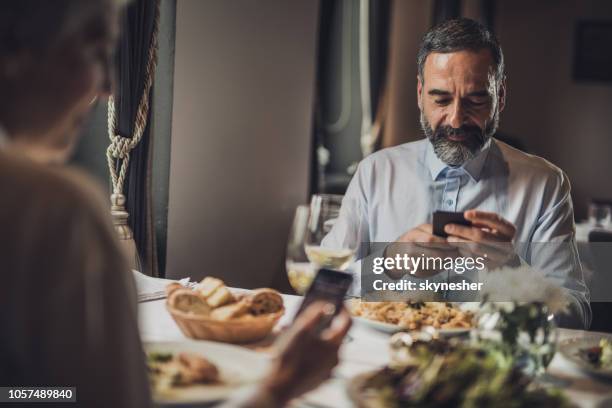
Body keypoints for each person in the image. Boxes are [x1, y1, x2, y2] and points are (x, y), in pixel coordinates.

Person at [0, 1, 350, 407]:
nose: (108, 88)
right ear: (15, 50)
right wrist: (281, 386)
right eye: (94, 51)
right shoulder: (51, 209)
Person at [326, 18, 590, 328]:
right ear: (420, 94)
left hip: (490, 367)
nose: (455, 119)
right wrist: (388, 263)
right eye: (441, 99)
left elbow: (576, 318)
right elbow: (322, 286)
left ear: (500, 96)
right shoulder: (375, 173)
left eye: (476, 100)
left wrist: (513, 273)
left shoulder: (546, 185)